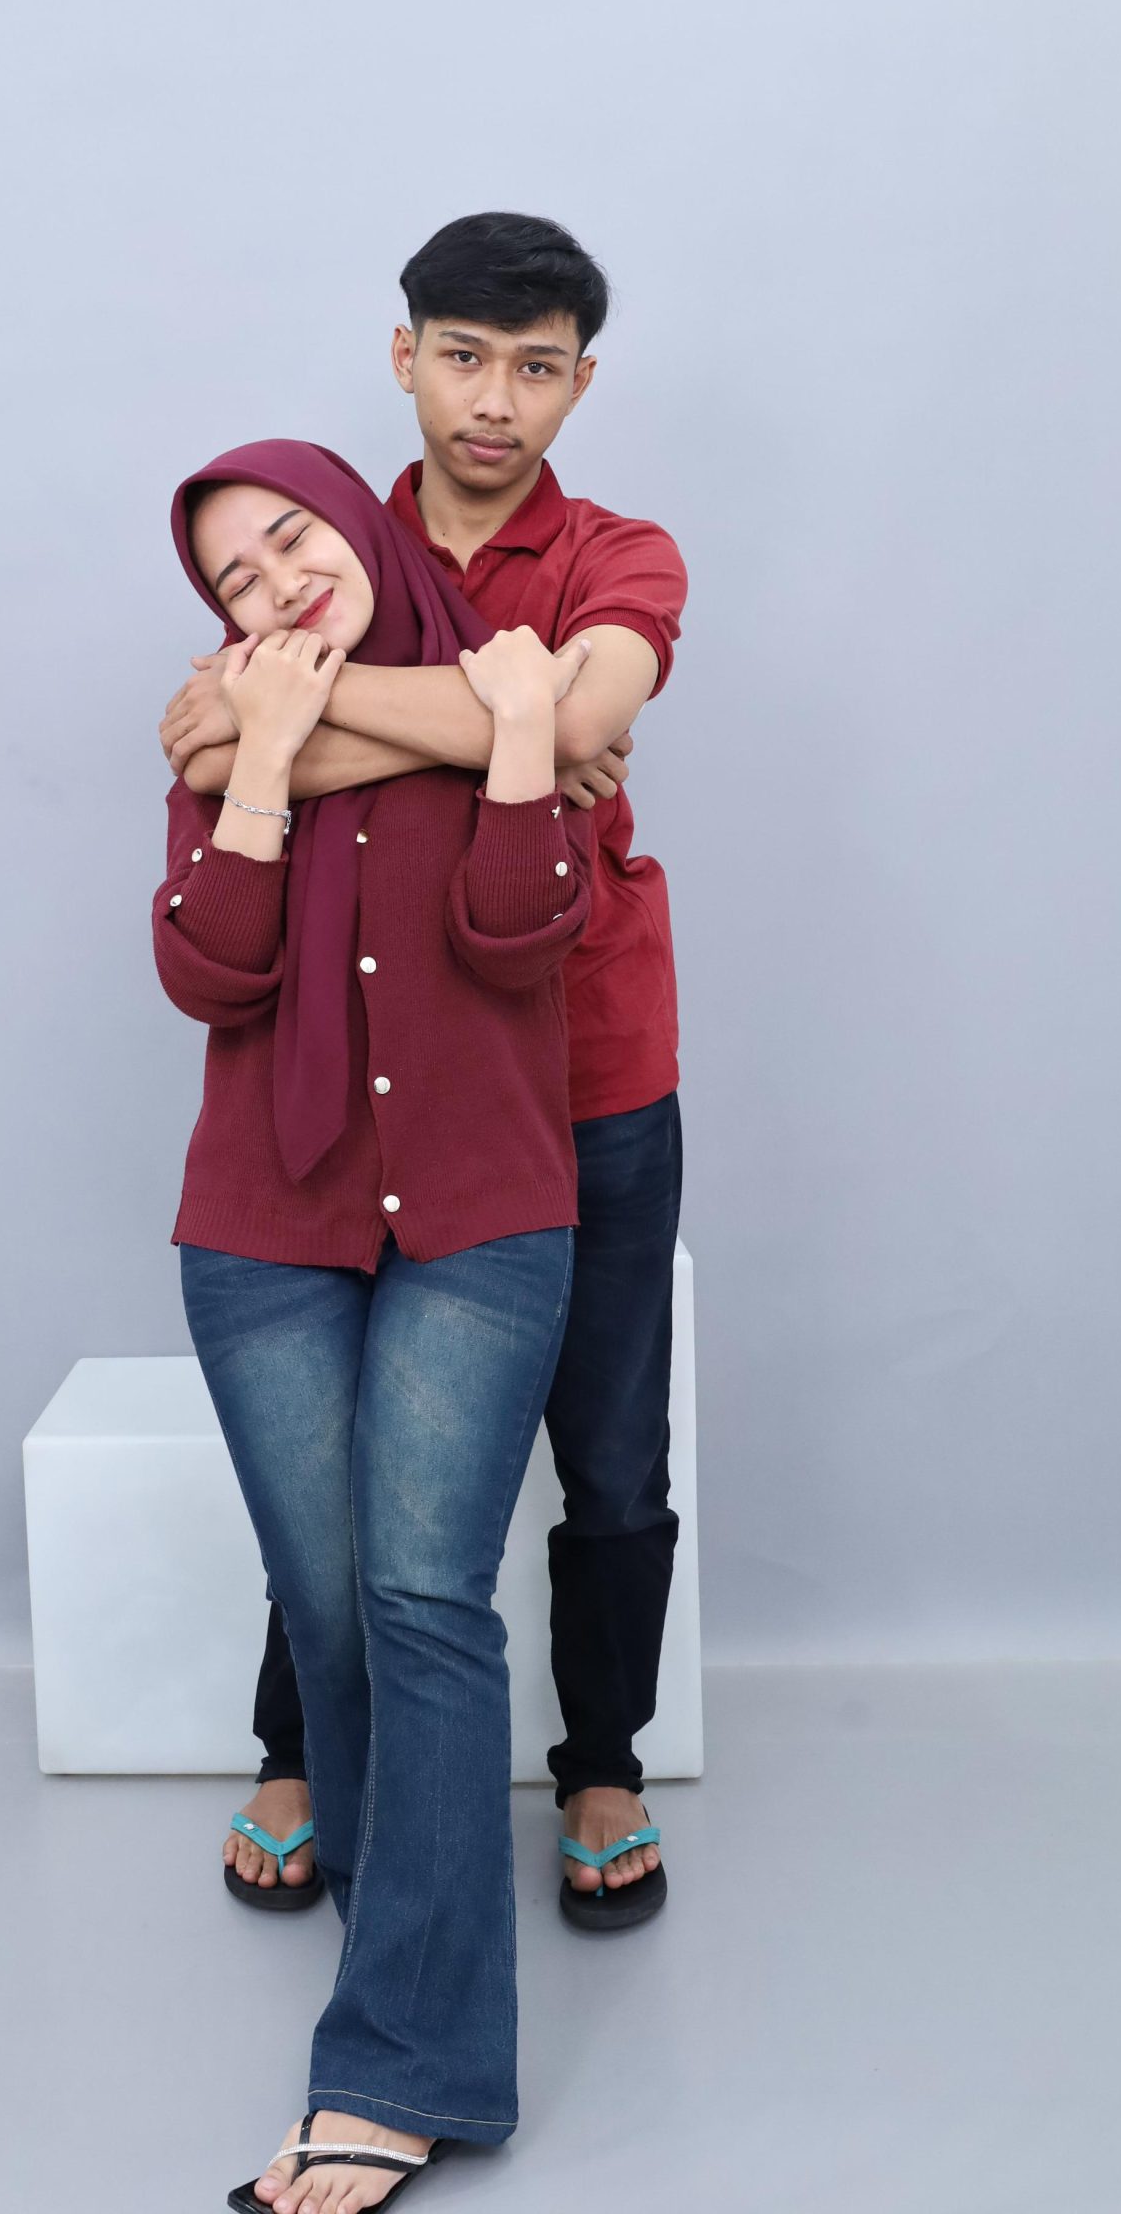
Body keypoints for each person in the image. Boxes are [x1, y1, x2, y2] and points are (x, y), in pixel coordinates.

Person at [161, 214, 687, 1931]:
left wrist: (302, 714)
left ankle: (601, 1761)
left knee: (610, 1443)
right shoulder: (323, 535)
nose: (495, 399)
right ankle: (306, 1747)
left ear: (580, 383)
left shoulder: (618, 553)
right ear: (406, 359)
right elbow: (208, 748)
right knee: (337, 1451)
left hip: (592, 1050)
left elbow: (575, 722)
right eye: (463, 357)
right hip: (394, 1064)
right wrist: (501, 720)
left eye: (538, 367)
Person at [154, 438, 596, 2210]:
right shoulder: (234, 731)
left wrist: (513, 732)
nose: (276, 591)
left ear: (352, 518)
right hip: (266, 1225)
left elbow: (522, 932)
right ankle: (399, 1906)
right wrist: (258, 763)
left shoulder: (506, 674)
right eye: (235, 587)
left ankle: (399, 2060)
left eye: (291, 542)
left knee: (423, 1601)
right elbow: (208, 968)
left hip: (482, 1215)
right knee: (330, 1604)